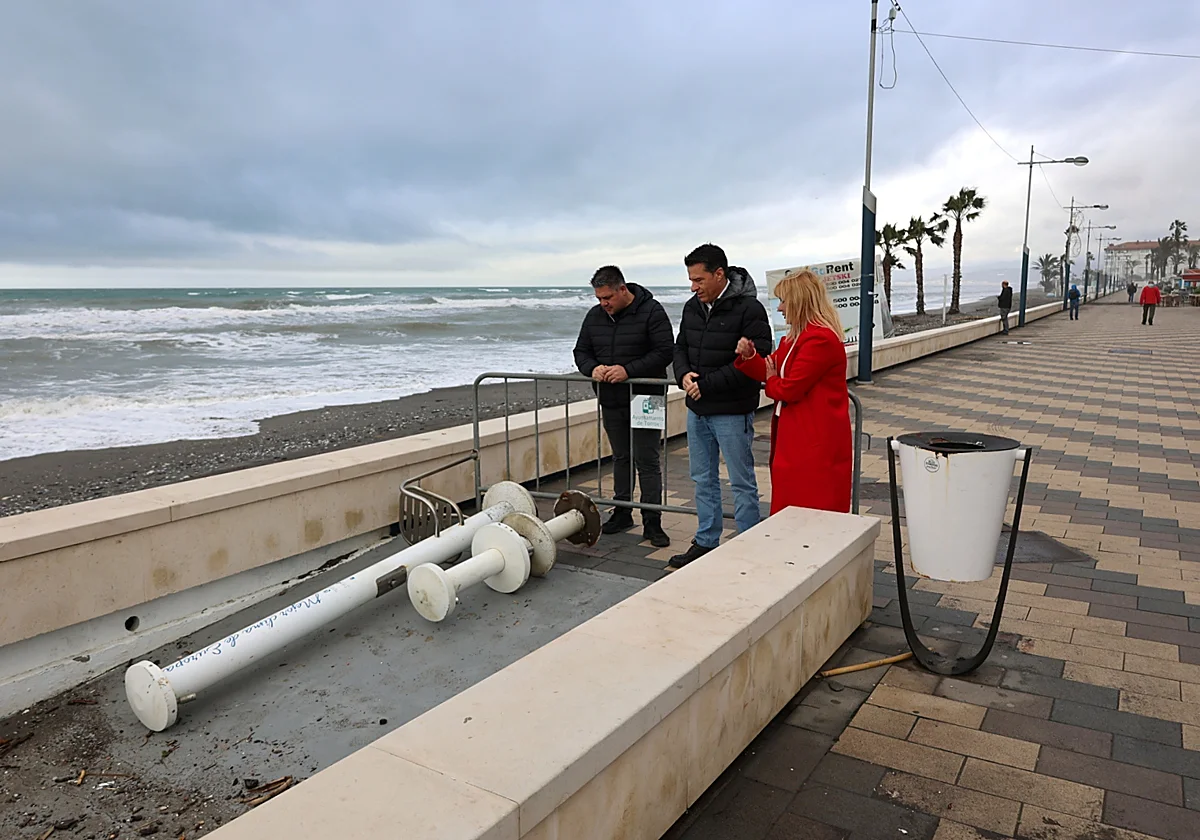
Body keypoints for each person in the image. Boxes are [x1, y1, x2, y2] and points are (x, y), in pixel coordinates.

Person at [668, 243, 772, 570]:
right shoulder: (691, 307)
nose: (693, 286)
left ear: (719, 274)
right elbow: (680, 347)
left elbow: (758, 357)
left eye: (698, 279)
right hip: (698, 410)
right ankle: (705, 540)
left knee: (741, 480)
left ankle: (749, 544)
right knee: (703, 478)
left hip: (732, 410)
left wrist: (706, 385)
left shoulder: (749, 309)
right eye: (690, 279)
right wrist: (683, 375)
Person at [734, 269, 851, 514]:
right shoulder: (795, 339)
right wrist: (750, 357)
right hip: (799, 434)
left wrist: (772, 380)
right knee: (794, 502)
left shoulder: (820, 340)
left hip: (814, 437)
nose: (780, 308)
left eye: (784, 301)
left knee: (811, 505)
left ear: (798, 302)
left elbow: (790, 389)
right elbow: (770, 369)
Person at [573, 265, 675, 548]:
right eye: (599, 299)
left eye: (607, 298)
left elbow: (665, 350)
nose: (604, 304)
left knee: (648, 459)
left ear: (622, 289)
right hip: (612, 398)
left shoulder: (652, 311)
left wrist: (627, 370)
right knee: (621, 457)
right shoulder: (595, 316)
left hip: (647, 398)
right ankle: (622, 513)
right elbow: (581, 351)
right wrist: (592, 368)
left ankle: (652, 522)